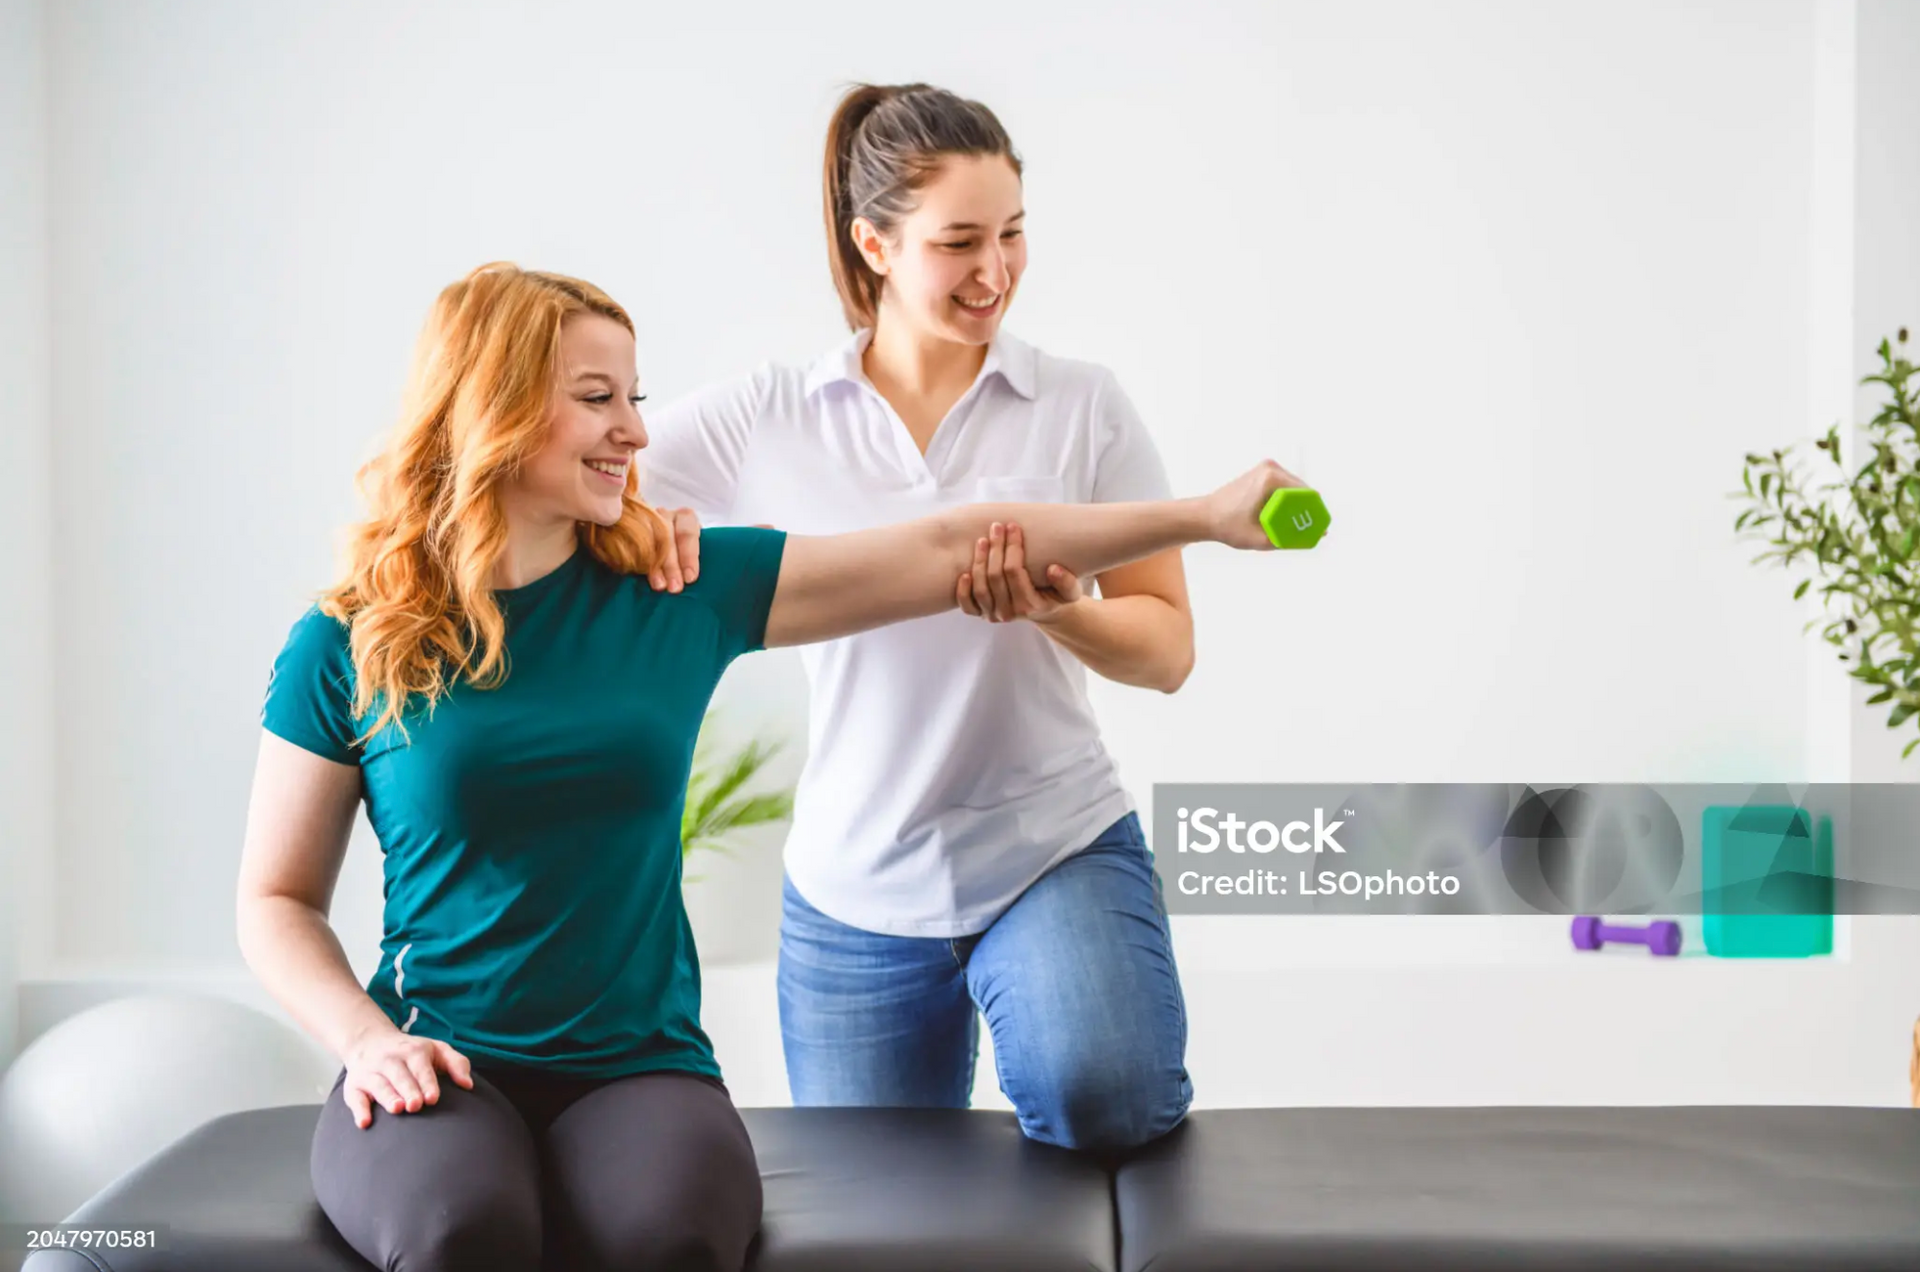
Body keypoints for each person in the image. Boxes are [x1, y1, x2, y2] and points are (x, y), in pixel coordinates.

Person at [234, 260, 1296, 1272]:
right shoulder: (353, 641)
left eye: (634, 397)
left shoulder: (678, 592)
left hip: (636, 1065)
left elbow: (948, 544)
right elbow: (276, 900)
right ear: (496, 408)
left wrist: (1202, 516)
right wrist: (367, 1043)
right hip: (439, 1055)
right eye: (599, 399)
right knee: (463, 1232)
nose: (637, 431)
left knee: (674, 1237)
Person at [640, 82, 1217, 1153]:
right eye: (959, 242)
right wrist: (646, 531)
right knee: (875, 1208)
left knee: (1110, 1099)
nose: (994, 271)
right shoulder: (770, 416)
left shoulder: (1081, 406)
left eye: (1012, 234)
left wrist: (1060, 614)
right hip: (854, 883)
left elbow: (1168, 649)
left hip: (1051, 846)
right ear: (874, 245)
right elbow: (587, 484)